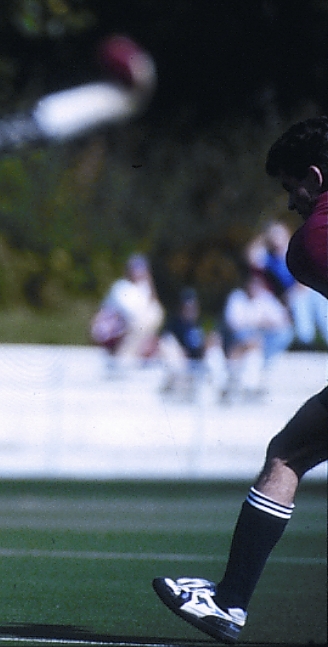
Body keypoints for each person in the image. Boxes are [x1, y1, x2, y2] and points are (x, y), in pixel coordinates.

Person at [153, 115, 328, 644]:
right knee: (288, 451)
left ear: (315, 179)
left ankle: (228, 603)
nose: (291, 200)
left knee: (287, 456)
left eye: (292, 186)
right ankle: (227, 600)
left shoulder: (312, 240)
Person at [246, 219, 328, 348]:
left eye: (279, 234)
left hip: (308, 289)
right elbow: (251, 256)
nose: (277, 238)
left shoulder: (297, 249)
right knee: (300, 305)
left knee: (319, 305)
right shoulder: (271, 259)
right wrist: (263, 235)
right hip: (292, 296)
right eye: (273, 235)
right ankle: (306, 343)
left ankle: (314, 340)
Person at [219, 272, 293, 402]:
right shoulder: (237, 297)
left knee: (285, 333)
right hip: (240, 336)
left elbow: (281, 320)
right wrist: (257, 323)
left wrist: (263, 324)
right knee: (250, 341)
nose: (254, 287)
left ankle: (263, 361)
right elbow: (233, 323)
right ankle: (242, 380)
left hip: (261, 337)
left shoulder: (265, 298)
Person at [91, 252, 165, 375]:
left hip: (137, 331)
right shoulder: (121, 287)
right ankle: (122, 362)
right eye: (135, 269)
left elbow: (155, 311)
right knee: (140, 323)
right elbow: (130, 314)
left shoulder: (144, 288)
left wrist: (150, 284)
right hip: (114, 332)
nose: (138, 273)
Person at [157, 287, 225, 401]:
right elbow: (167, 342)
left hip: (198, 365)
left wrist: (208, 344)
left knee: (215, 350)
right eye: (187, 306)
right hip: (182, 365)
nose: (191, 309)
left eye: (193, 306)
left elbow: (199, 347)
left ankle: (222, 389)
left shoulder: (199, 325)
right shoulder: (174, 325)